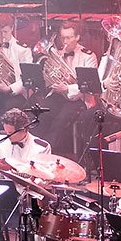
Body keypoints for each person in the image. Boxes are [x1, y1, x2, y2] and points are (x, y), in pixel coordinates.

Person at [40, 20, 99, 155]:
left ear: (77, 37)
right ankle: (36, 149)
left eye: (68, 38)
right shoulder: (58, 54)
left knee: (61, 119)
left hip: (80, 98)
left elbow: (89, 85)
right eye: (63, 38)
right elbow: (48, 77)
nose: (65, 42)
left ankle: (48, 153)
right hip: (59, 96)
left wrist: (67, 88)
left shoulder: (88, 56)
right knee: (40, 113)